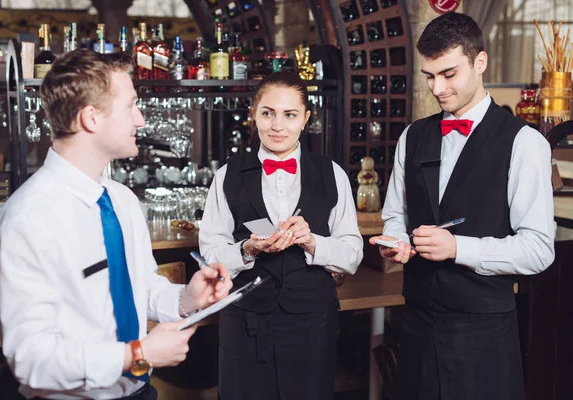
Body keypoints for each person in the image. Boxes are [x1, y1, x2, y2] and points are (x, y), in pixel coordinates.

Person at [0, 49, 232, 400]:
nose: (141, 119)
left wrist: (186, 298)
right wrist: (138, 354)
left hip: (137, 392)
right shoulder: (27, 219)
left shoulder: (121, 200)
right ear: (92, 118)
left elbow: (140, 287)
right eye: (131, 105)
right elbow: (32, 359)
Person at [370, 11, 555, 400]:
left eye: (449, 74)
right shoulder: (413, 136)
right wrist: (395, 241)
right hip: (417, 326)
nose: (437, 88)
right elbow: (395, 215)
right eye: (429, 76)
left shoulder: (524, 142)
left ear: (480, 62)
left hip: (484, 335)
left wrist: (458, 247)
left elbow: (539, 250)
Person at [199, 71, 363, 400]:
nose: (277, 126)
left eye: (289, 115)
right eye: (268, 113)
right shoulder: (226, 176)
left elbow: (352, 256)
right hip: (246, 322)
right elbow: (210, 254)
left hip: (311, 324)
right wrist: (246, 249)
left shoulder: (332, 173)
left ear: (306, 117)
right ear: (253, 115)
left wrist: (313, 242)